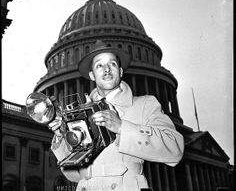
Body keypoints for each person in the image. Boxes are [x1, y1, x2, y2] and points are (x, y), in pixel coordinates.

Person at [49, 40, 184, 191]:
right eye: (99, 65)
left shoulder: (145, 105)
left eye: (112, 64)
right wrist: (61, 137)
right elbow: (74, 175)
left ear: (120, 72)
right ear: (92, 75)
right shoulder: (78, 115)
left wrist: (121, 127)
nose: (106, 69)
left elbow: (175, 149)